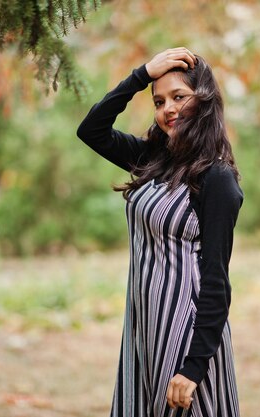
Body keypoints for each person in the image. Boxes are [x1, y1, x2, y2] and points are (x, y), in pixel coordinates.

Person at [77, 47, 243, 417]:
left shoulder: (217, 179)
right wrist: (141, 75)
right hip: (144, 328)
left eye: (179, 97)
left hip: (186, 334)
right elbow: (91, 130)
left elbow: (216, 281)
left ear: (204, 102)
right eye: (159, 101)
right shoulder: (154, 159)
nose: (168, 108)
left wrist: (194, 366)